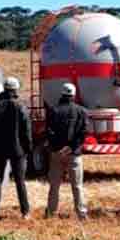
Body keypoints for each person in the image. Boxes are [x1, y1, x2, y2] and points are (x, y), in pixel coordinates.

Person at [0, 76, 33, 219]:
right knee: (20, 181)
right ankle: (25, 212)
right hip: (18, 150)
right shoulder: (20, 106)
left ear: (4, 89)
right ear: (15, 89)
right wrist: (28, 148)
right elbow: (26, 130)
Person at [44, 83, 88, 220]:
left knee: (54, 186)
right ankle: (81, 213)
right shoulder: (81, 111)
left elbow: (49, 132)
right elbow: (83, 133)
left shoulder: (53, 110)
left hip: (57, 153)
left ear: (62, 94)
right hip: (74, 154)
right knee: (77, 186)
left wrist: (58, 147)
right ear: (74, 95)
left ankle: (51, 212)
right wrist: (71, 147)